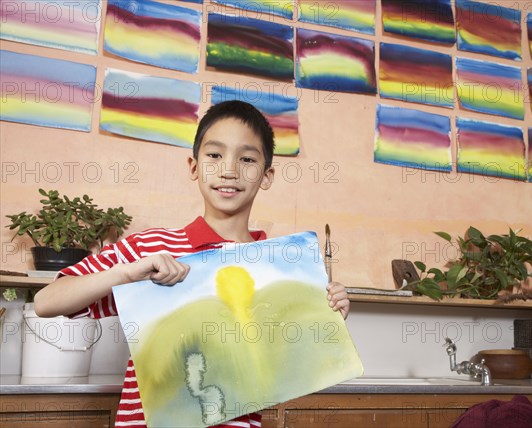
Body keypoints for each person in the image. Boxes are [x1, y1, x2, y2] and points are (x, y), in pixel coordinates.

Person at [34, 101, 351, 428]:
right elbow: (46, 302)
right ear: (194, 166)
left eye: (247, 159)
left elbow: (284, 375)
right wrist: (126, 272)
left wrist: (324, 321)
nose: (229, 170)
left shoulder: (280, 268)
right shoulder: (150, 248)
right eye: (214, 155)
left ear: (267, 175)